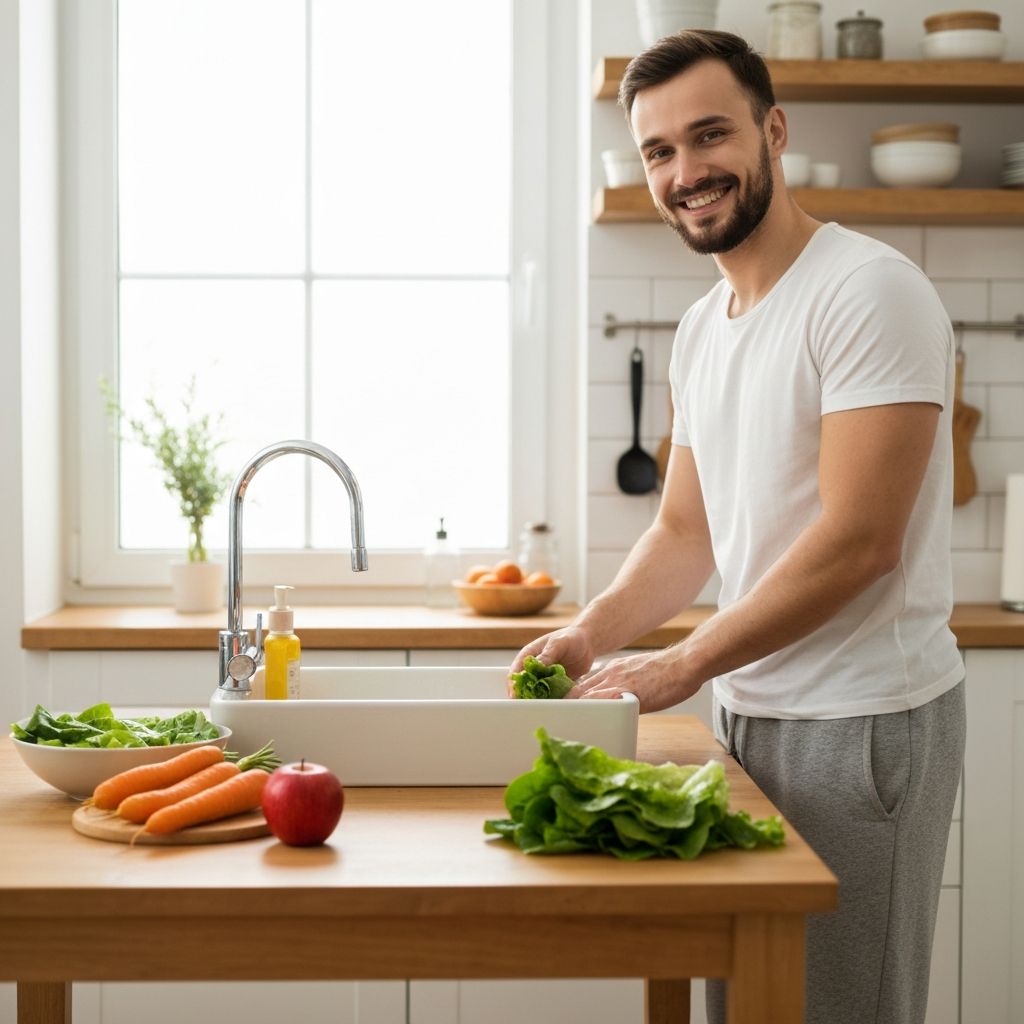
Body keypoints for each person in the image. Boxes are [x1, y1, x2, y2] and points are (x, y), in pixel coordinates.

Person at [511, 29, 966, 1024]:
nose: (686, 172)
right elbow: (685, 531)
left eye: (709, 135)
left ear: (772, 130)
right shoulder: (700, 327)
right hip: (751, 719)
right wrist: (594, 632)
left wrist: (682, 665)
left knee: (841, 1010)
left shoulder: (866, 291)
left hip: (862, 722)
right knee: (754, 1004)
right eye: (659, 151)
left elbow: (860, 540)